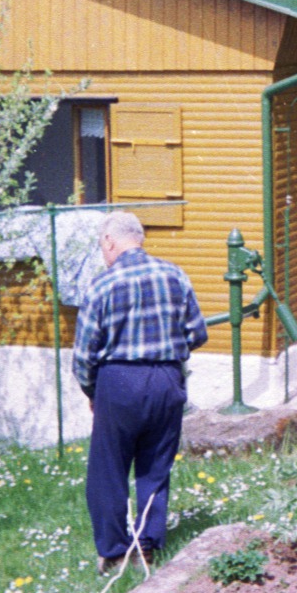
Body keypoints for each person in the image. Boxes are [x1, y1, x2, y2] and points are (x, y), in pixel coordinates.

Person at [73, 211, 208, 574]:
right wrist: (166, 354)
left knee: (108, 470)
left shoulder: (102, 285)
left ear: (110, 242)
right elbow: (197, 332)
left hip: (118, 382)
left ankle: (115, 551)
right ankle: (146, 544)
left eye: (102, 245)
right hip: (165, 380)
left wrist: (92, 391)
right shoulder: (175, 275)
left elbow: (83, 354)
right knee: (155, 467)